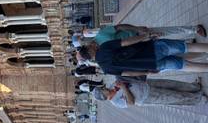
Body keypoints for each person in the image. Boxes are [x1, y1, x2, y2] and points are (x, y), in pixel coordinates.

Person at [79, 36, 208, 76]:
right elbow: (125, 42)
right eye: (90, 46)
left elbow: (127, 74)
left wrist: (146, 73)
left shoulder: (106, 69)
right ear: (90, 50)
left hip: (150, 65)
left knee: (184, 66)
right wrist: (144, 37)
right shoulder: (105, 47)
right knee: (186, 47)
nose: (92, 44)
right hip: (150, 49)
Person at [93, 79, 206, 107]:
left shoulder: (113, 85)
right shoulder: (115, 101)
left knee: (173, 84)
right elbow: (131, 102)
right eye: (102, 89)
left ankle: (193, 87)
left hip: (147, 84)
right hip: (147, 96)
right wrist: (123, 87)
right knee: (174, 96)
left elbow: (127, 80)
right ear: (103, 95)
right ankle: (198, 98)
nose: (105, 88)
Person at [88, 24, 206, 45]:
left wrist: (136, 28)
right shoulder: (100, 50)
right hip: (139, 44)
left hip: (137, 33)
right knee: (165, 43)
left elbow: (119, 27)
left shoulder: (101, 35)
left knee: (165, 31)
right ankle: (188, 42)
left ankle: (195, 28)